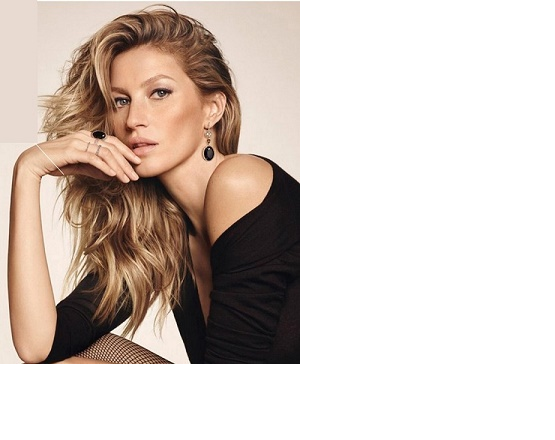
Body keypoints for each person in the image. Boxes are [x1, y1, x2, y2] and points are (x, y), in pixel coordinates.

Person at [7, 4, 299, 364]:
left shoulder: (241, 181)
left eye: (159, 93)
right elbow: (39, 346)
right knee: (68, 358)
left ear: (212, 108)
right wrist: (28, 170)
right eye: (121, 100)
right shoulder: (162, 235)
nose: (133, 119)